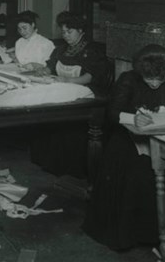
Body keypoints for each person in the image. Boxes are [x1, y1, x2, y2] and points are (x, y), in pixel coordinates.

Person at [82, 44, 165, 252]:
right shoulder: (128, 79)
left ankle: (158, 235)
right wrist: (133, 118)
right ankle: (130, 236)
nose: (154, 84)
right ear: (140, 72)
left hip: (163, 139)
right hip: (127, 138)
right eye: (149, 79)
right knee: (135, 172)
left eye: (159, 79)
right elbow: (112, 113)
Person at [30, 12, 110, 178]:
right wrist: (43, 71)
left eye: (69, 32)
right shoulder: (61, 49)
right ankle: (48, 162)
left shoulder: (93, 50)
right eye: (63, 32)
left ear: (80, 30)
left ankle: (71, 169)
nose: (65, 35)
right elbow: (51, 67)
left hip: (85, 93)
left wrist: (65, 79)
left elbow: (90, 77)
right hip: (62, 89)